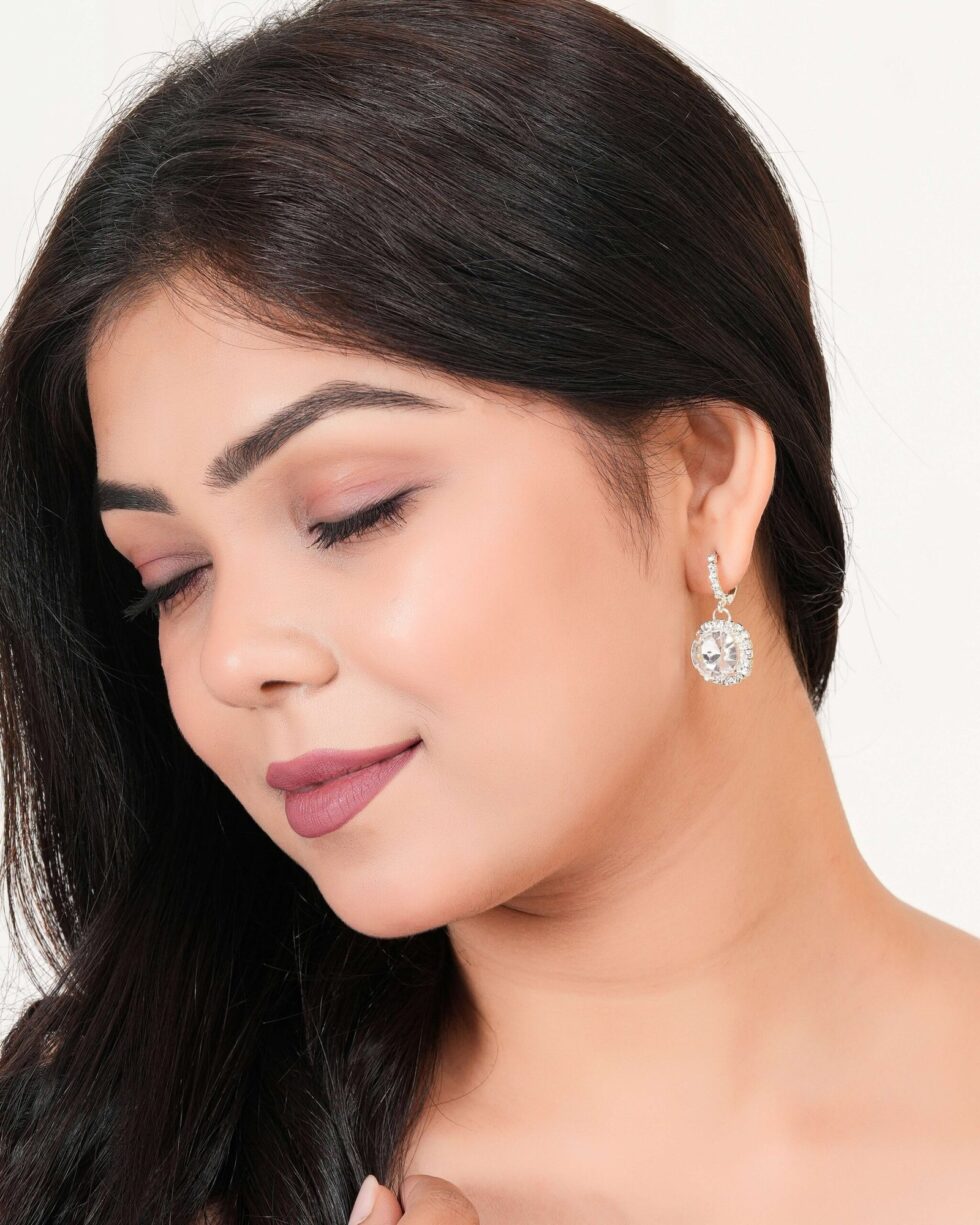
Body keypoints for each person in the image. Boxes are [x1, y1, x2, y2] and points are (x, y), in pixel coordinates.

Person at [1, 1, 977, 1222]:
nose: (235, 656)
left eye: (353, 512)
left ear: (705, 477)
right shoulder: (93, 1161)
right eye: (172, 578)